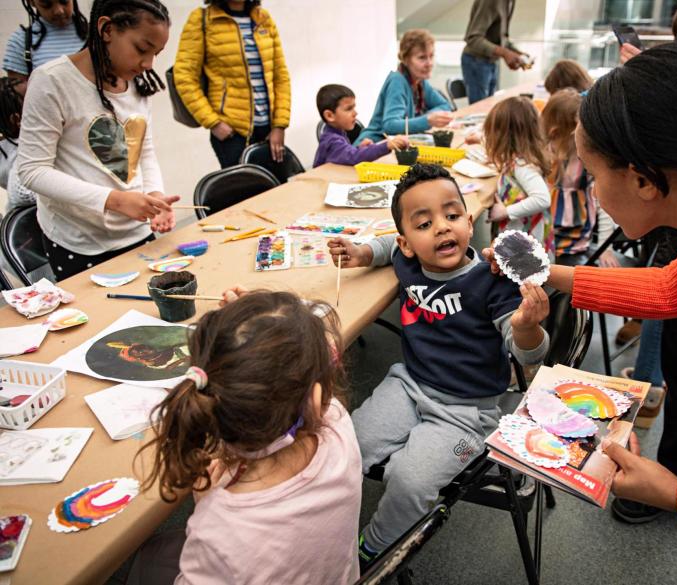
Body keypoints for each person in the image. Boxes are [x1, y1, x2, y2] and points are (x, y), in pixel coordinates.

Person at [488, 43, 677, 553]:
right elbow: (670, 288)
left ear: (644, 180)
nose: (594, 193)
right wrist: (542, 270)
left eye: (595, 176)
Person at [326, 163, 550, 567]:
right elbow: (386, 246)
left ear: (469, 220)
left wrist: (527, 328)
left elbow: (528, 355)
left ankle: (373, 548)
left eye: (451, 216)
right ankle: (324, 527)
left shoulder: (491, 282)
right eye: (425, 223)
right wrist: (362, 253)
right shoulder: (406, 259)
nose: (443, 228)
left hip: (470, 413)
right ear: (408, 242)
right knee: (346, 445)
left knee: (408, 481)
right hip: (409, 385)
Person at [129, 290, 362, 585]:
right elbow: (324, 347)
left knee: (150, 555)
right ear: (315, 399)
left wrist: (205, 499)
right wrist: (265, 324)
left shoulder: (219, 530)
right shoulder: (337, 425)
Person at [16, 0, 178, 281]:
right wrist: (114, 200)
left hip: (138, 232)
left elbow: (143, 151)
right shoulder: (51, 82)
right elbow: (32, 171)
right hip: (80, 243)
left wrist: (154, 196)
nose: (148, 64)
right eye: (141, 49)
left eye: (156, 53)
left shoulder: (137, 82)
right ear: (106, 29)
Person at [173, 0, 291, 168]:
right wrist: (213, 123)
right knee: (245, 192)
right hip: (231, 133)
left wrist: (280, 125)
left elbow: (281, 75)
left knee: (277, 189)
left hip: (269, 130)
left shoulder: (262, 18)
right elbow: (184, 76)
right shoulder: (202, 19)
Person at [540, 88, 617, 267]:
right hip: (543, 237)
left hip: (575, 241)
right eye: (576, 135)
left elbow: (604, 205)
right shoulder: (543, 154)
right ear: (554, 133)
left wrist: (605, 247)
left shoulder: (588, 161)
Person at [482, 96, 554, 258]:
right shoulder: (517, 160)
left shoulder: (522, 166)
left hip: (526, 248)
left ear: (504, 135)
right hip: (520, 239)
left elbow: (543, 199)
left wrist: (506, 211)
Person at [357, 29, 453, 144]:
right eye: (422, 57)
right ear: (406, 59)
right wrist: (428, 120)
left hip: (397, 144)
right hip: (373, 145)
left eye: (431, 56)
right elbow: (390, 125)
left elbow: (445, 105)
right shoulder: (397, 81)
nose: (429, 63)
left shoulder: (419, 81)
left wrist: (431, 118)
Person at [3, 0, 88, 95]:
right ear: (31, 2)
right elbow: (15, 100)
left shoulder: (96, 35)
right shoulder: (21, 41)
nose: (58, 11)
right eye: (47, 5)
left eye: (64, 1)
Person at [313, 84, 409, 168]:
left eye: (354, 107)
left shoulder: (338, 133)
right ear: (329, 115)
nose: (355, 113)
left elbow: (343, 156)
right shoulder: (331, 140)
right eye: (349, 109)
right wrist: (386, 146)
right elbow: (353, 157)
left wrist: (359, 148)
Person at [461, 0, 533, 103]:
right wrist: (505, 53)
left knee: (491, 107)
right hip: (476, 61)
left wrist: (518, 54)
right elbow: (473, 38)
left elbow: (502, 39)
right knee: (480, 112)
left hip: (492, 61)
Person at [0, 77, 37, 211]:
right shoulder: (22, 146)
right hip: (29, 223)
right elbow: (20, 193)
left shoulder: (6, 142)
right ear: (16, 119)